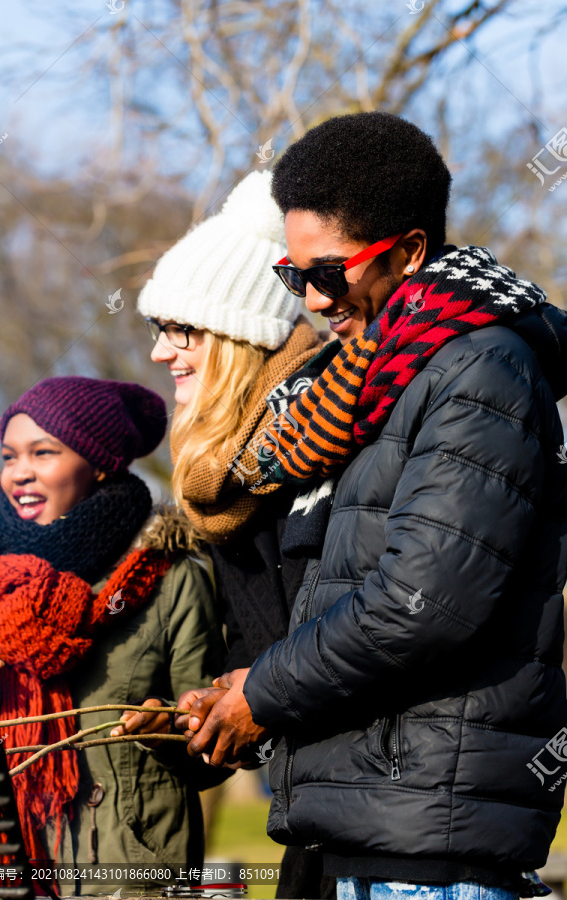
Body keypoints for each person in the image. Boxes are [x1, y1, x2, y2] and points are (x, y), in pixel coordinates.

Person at [175, 112, 567, 900]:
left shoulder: (481, 371)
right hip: (358, 833)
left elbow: (421, 606)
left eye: (329, 273)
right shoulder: (370, 380)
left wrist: (262, 692)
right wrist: (239, 685)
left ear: (412, 251)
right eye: (295, 276)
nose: (314, 301)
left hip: (427, 851)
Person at [134, 170, 333, 898]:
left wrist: (259, 697)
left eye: (180, 330)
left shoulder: (331, 454)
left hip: (392, 829)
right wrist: (195, 723)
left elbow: (380, 629)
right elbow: (260, 665)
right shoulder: (226, 492)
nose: (161, 352)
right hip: (312, 823)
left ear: (238, 337)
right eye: (159, 330)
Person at [0, 376, 226, 895]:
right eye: (10, 456)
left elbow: (217, 741)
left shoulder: (171, 580)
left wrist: (168, 728)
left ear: (100, 462)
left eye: (43, 453)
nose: (19, 473)